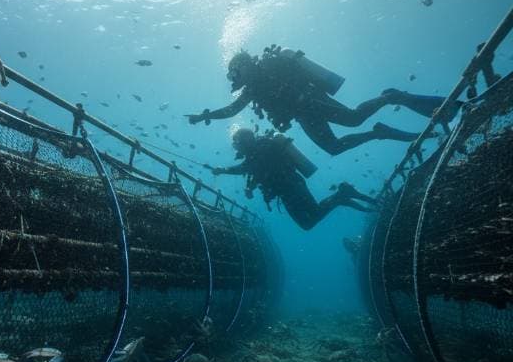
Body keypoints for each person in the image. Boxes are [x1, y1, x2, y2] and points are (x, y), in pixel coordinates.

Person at [187, 45, 454, 155]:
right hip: (304, 114)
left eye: (235, 70)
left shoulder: (269, 67)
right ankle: (377, 133)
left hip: (311, 100)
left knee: (353, 118)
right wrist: (205, 115)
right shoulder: (251, 90)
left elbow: (296, 77)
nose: (233, 77)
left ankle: (391, 96)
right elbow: (232, 109)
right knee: (334, 148)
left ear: (245, 64)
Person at [210, 128, 376, 230]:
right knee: (309, 220)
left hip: (290, 189)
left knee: (308, 222)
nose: (236, 147)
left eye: (237, 142)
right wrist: (250, 187)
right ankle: (342, 197)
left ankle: (341, 195)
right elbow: (260, 171)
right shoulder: (260, 149)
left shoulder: (260, 148)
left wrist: (223, 170)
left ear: (245, 140)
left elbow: (246, 168)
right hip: (291, 187)